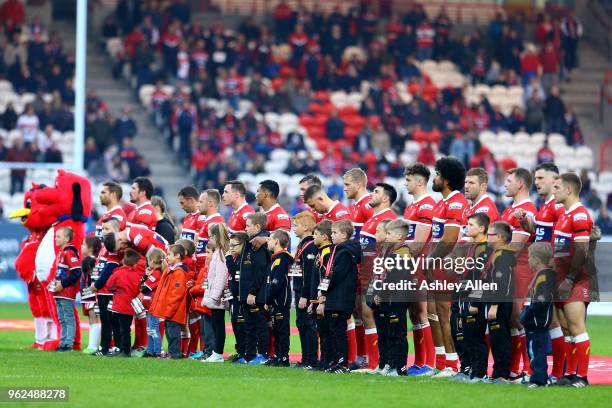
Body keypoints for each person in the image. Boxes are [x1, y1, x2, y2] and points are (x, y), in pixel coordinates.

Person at [516, 162, 566, 381]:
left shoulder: (557, 205)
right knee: (551, 322)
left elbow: (563, 238)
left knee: (558, 323)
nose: (536, 182)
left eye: (541, 178)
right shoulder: (545, 206)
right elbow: (539, 233)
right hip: (544, 270)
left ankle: (560, 372)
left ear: (555, 181)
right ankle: (556, 372)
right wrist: (526, 223)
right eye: (535, 179)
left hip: (554, 270)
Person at [427, 157, 468, 376]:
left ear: (446, 179)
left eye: (437, 174)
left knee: (445, 313)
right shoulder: (442, 202)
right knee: (434, 313)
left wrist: (430, 259)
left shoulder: (455, 201)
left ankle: (452, 364)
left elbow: (450, 237)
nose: (434, 178)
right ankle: (442, 362)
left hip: (447, 263)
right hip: (438, 262)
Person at [553, 172, 593, 388]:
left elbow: (581, 252)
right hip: (560, 280)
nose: (554, 191)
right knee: (567, 329)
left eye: (557, 187)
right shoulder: (564, 214)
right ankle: (569, 374)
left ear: (569, 190)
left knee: (577, 327)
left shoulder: (579, 214)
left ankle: (582, 377)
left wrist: (569, 279)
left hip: (576, 280)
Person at [501, 167, 537, 381]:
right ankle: (515, 369)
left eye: (509, 180)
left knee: (517, 318)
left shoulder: (527, 210)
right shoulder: (509, 210)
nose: (505, 183)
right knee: (511, 320)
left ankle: (529, 369)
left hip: (521, 270)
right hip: (507, 270)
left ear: (520, 184)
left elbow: (515, 247)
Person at [356, 183, 397, 370]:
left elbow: (388, 249)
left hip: (377, 275)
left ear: (386, 198)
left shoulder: (388, 218)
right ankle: (376, 362)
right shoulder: (373, 219)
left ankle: (378, 362)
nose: (371, 194)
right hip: (366, 273)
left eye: (376, 192)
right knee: (366, 314)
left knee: (374, 315)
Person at [402, 163, 437, 375]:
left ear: (420, 182)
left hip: (421, 266)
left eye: (408, 179)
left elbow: (418, 243)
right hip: (410, 265)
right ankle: (419, 361)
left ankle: (430, 363)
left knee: (423, 312)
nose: (405, 183)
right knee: (414, 314)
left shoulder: (427, 206)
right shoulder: (411, 207)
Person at [316, 220, 362, 374]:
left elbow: (336, 275)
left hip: (340, 297)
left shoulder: (345, 252)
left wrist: (323, 291)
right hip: (335, 297)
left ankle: (342, 364)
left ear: (344, 234)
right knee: (334, 330)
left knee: (338, 332)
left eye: (335, 233)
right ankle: (336, 361)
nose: (332, 235)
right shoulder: (339, 249)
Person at [343, 168, 374, 370]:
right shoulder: (355, 207)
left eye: (347, 184)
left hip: (368, 268)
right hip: (357, 266)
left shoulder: (369, 205)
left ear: (358, 185)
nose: (344, 188)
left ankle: (373, 360)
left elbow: (378, 234)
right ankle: (362, 357)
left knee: (367, 313)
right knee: (357, 311)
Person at [376, 219, 411, 376]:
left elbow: (396, 279)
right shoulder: (392, 251)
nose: (386, 236)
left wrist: (383, 293)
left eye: (389, 233)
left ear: (399, 236)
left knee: (398, 334)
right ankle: (391, 364)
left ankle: (400, 367)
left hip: (398, 299)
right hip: (390, 298)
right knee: (390, 333)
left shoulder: (403, 253)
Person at [460, 213, 490, 382]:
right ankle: (473, 371)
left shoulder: (484, 248)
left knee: (476, 337)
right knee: (469, 336)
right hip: (466, 295)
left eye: (471, 225)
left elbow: (482, 277)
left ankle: (480, 373)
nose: (467, 227)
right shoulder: (473, 246)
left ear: (481, 228)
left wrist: (475, 301)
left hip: (476, 298)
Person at [521, 243, 556, 387]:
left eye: (529, 257)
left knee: (536, 353)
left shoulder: (544, 276)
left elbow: (541, 300)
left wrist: (526, 315)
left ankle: (538, 380)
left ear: (536, 259)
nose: (528, 260)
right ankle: (539, 377)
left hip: (537, 323)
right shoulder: (542, 275)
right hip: (536, 322)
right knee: (535, 352)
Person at [239, 213, 272, 364]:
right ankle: (249, 355)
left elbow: (259, 272)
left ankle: (263, 354)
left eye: (248, 225)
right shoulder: (251, 242)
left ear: (258, 227)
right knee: (249, 326)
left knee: (259, 325)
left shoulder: (260, 245)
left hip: (256, 294)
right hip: (247, 292)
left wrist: (252, 292)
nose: (245, 228)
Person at [485, 221, 516, 383]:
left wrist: (494, 305)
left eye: (490, 234)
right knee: (497, 337)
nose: (487, 237)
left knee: (500, 338)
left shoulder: (502, 255)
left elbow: (501, 282)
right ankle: (499, 372)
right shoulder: (500, 253)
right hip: (500, 301)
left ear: (500, 237)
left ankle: (501, 374)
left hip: (500, 302)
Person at [150, 244, 189, 359]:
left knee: (173, 334)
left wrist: (169, 310)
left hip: (173, 311)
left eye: (169, 254)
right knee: (169, 333)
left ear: (177, 256)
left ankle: (174, 354)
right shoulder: (171, 270)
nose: (167, 257)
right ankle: (172, 353)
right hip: (169, 311)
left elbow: (176, 295)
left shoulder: (178, 273)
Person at [292, 211, 319, 369]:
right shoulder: (302, 245)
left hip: (305, 293)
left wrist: (305, 296)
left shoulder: (310, 247)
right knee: (301, 324)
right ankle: (305, 359)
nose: (294, 228)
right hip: (299, 290)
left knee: (308, 326)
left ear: (307, 227)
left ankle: (311, 360)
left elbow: (309, 274)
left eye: (297, 225)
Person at [201, 223, 231, 363]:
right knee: (215, 324)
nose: (208, 240)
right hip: (215, 295)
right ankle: (215, 352)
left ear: (215, 237)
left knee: (218, 325)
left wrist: (214, 295)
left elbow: (221, 276)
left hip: (217, 297)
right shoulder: (218, 252)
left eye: (209, 237)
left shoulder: (220, 254)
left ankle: (218, 352)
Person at [106, 249, 144, 357]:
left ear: (124, 260)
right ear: (135, 263)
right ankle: (125, 350)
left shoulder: (118, 273)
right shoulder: (137, 276)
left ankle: (123, 350)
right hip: (129, 306)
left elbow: (109, 285)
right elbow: (137, 290)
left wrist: (117, 291)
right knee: (126, 329)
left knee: (118, 328)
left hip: (118, 305)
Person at [264, 230, 293, 367]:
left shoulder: (282, 258)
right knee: (277, 329)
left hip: (281, 300)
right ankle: (278, 355)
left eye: (269, 239)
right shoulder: (276, 258)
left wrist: (268, 299)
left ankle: (283, 357)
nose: (268, 242)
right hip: (276, 299)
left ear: (276, 241)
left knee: (282, 330)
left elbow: (276, 282)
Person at [50, 227, 81, 352]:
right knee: (62, 319)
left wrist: (62, 284)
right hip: (59, 291)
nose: (55, 238)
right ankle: (62, 342)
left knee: (68, 318)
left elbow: (76, 273)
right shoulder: (61, 253)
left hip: (66, 292)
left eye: (58, 236)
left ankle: (69, 344)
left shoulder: (70, 253)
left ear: (67, 239)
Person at [312, 220, 334, 370]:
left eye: (316, 234)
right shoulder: (321, 251)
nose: (314, 237)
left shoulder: (327, 253)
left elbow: (326, 277)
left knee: (327, 331)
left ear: (325, 237)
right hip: (319, 298)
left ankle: (327, 361)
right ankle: (324, 360)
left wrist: (322, 300)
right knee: (322, 331)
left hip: (324, 299)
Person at [226, 232, 249, 363]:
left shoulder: (243, 259)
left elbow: (236, 275)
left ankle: (245, 353)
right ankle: (240, 351)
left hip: (241, 299)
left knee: (242, 327)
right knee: (235, 326)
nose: (231, 249)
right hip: (233, 298)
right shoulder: (236, 258)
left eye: (234, 246)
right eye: (230, 246)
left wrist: (229, 260)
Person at [141, 248, 166, 358]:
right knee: (150, 329)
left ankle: (157, 351)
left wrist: (145, 276)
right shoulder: (156, 272)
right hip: (149, 305)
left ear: (151, 260)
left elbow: (144, 288)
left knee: (153, 328)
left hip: (153, 305)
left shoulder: (156, 273)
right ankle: (150, 350)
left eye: (148, 260)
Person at [80, 236, 102, 354]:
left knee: (94, 318)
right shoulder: (90, 260)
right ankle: (93, 345)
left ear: (91, 248)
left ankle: (93, 346)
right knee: (92, 319)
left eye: (83, 244)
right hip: (87, 294)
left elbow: (93, 279)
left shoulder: (93, 261)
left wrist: (90, 290)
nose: (81, 246)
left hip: (91, 295)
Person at [195, 189, 224, 273]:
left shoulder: (214, 223)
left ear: (210, 203)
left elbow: (218, 251)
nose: (197, 205)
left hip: (207, 271)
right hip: (201, 270)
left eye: (201, 202)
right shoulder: (208, 221)